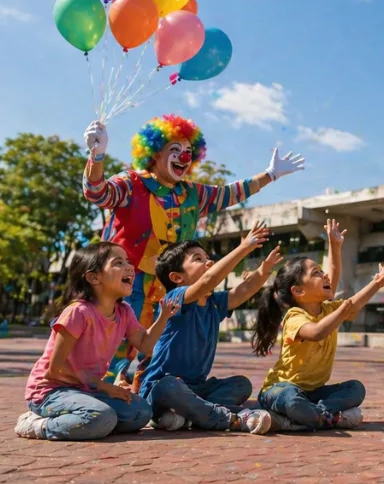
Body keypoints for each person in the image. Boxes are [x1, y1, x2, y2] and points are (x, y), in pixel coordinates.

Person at [81, 114, 305, 387]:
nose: (184, 157)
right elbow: (98, 193)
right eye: (175, 149)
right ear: (155, 152)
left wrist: (270, 175)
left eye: (188, 151)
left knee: (157, 345)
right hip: (128, 280)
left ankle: (142, 392)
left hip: (169, 284)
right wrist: (97, 156)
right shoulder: (132, 183)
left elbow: (231, 193)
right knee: (116, 338)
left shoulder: (191, 194)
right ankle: (94, 389)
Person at [15, 242, 179, 440]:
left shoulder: (124, 312)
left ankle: (92, 422)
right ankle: (37, 424)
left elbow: (144, 344)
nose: (129, 267)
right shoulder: (78, 312)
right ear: (94, 277)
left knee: (141, 412)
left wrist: (163, 317)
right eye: (118, 263)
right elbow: (55, 369)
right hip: (51, 391)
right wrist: (103, 386)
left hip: (85, 389)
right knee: (100, 416)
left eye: (127, 261)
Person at [252, 219, 384, 431]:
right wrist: (343, 308)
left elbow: (346, 292)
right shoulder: (294, 317)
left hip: (313, 394)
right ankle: (323, 417)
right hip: (278, 390)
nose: (324, 275)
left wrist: (377, 281)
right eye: (316, 273)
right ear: (298, 291)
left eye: (321, 271)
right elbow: (316, 332)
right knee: (292, 399)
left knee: (355, 389)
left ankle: (309, 417)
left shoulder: (329, 309)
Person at [138, 221, 283, 434]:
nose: (209, 262)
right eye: (198, 259)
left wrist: (264, 269)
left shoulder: (215, 302)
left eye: (207, 257)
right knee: (169, 386)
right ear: (177, 277)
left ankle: (187, 416)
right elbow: (208, 280)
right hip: (161, 389)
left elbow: (244, 290)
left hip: (196, 389)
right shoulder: (174, 299)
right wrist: (243, 248)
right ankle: (230, 418)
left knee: (241, 384)